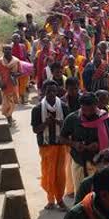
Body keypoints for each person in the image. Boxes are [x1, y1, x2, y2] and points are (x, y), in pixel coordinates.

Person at [60, 93, 109, 190]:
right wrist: (74, 144)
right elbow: (62, 138)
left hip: (102, 164)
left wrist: (100, 144)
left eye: (91, 110)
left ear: (96, 105)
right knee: (81, 195)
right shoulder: (72, 118)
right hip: (79, 162)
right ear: (81, 107)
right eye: (84, 109)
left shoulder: (107, 119)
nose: (87, 113)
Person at [31, 81, 70, 211]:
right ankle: (50, 199)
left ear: (57, 91)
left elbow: (68, 127)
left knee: (60, 174)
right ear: (43, 92)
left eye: (54, 91)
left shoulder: (63, 107)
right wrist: (46, 123)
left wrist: (59, 123)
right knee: (48, 173)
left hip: (60, 145)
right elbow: (36, 130)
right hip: (45, 145)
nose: (52, 94)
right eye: (49, 91)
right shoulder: (37, 109)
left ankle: (59, 199)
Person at [0, 45, 21, 125]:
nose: (8, 51)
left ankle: (10, 115)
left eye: (9, 49)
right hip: (4, 86)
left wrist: (15, 74)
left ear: (12, 50)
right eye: (6, 49)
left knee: (13, 103)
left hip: (14, 85)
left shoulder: (16, 61)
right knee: (6, 104)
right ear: (3, 51)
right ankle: (9, 118)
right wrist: (0, 83)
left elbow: (20, 72)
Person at [11, 33, 30, 104]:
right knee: (15, 83)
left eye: (17, 38)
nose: (16, 39)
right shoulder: (10, 47)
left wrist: (27, 66)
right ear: (12, 39)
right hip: (13, 66)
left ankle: (22, 99)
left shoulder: (23, 46)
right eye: (15, 38)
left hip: (22, 66)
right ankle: (15, 99)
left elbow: (25, 56)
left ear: (19, 39)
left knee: (23, 83)